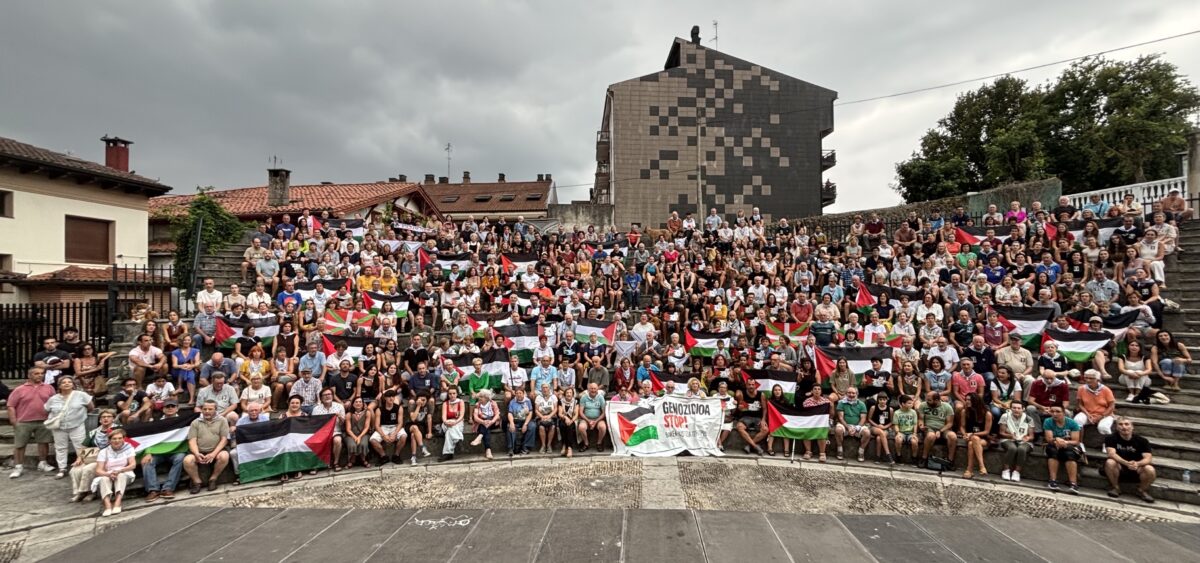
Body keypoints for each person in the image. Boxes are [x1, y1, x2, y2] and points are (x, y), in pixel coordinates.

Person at [8, 367, 56, 478]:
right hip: (23, 421)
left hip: (44, 420)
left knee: (44, 442)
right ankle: (18, 467)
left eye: (42, 373)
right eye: (36, 373)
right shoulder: (19, 389)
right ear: (29, 375)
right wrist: (14, 421)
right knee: (20, 445)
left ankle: (43, 463)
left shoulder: (49, 388)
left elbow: (55, 403)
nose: (40, 375)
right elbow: (11, 405)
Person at [43, 375, 94, 478]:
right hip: (59, 427)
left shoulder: (81, 395)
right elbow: (47, 410)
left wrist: (80, 415)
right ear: (59, 386)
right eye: (64, 382)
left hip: (77, 425)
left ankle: (82, 467)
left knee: (81, 446)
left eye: (69, 382)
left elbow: (91, 407)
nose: (67, 384)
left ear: (73, 385)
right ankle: (62, 468)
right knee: (60, 447)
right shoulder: (53, 399)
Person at [1103, 417, 1156, 503]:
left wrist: (1137, 464)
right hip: (1119, 466)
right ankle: (1115, 488)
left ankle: (1141, 490)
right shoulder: (1110, 438)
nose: (1124, 427)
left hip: (1137, 468)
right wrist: (1126, 463)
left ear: (1132, 427)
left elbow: (1148, 458)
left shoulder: (1142, 441)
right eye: (1120, 424)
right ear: (1117, 427)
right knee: (1110, 462)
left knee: (1150, 469)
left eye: (1127, 424)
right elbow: (1111, 454)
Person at [182, 400, 231, 494]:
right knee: (187, 460)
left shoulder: (222, 420)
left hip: (216, 450)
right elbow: (192, 441)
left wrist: (213, 454)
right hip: (199, 451)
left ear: (216, 410)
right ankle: (197, 482)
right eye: (205, 409)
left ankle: (213, 479)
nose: (207, 411)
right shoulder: (195, 422)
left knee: (224, 456)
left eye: (210, 409)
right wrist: (196, 453)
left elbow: (224, 440)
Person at [141, 400, 186, 501]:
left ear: (177, 408)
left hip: (176, 451)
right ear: (163, 409)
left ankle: (168, 488)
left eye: (172, 406)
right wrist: (148, 452)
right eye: (167, 406)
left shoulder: (184, 421)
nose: (170, 408)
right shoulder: (156, 422)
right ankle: (153, 490)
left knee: (180, 457)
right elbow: (149, 439)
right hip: (158, 453)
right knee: (147, 461)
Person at [94, 429, 137, 517]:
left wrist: (120, 470)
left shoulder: (129, 448)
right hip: (109, 474)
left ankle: (118, 502)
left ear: (123, 439)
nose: (117, 441)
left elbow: (133, 465)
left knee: (121, 476)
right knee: (104, 479)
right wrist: (108, 474)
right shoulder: (103, 452)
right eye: (114, 439)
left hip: (124, 473)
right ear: (109, 440)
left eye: (120, 438)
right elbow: (98, 470)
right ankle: (107, 505)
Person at [1043, 405, 1083, 495]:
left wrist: (1064, 442)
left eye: (1058, 411)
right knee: (1052, 451)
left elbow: (1076, 441)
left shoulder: (1072, 423)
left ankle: (1073, 483)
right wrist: (1056, 439)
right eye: (1052, 411)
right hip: (1054, 444)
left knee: (1070, 454)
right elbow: (1049, 439)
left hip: (1069, 445)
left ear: (1064, 413)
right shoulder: (1048, 421)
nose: (1054, 414)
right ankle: (1052, 480)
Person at [917, 391, 957, 468]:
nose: (927, 402)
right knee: (931, 436)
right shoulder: (923, 405)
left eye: (929, 400)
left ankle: (950, 461)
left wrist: (940, 431)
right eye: (927, 399)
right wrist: (921, 425)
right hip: (929, 428)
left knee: (953, 436)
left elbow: (949, 423)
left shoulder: (947, 407)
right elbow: (921, 419)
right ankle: (924, 458)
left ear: (936, 400)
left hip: (943, 428)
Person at [997, 402, 1035, 482]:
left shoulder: (1029, 419)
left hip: (1023, 440)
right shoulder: (1005, 416)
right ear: (1010, 408)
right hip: (1008, 439)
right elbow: (1001, 433)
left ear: (1023, 409)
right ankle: (1006, 470)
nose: (1016, 410)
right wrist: (1010, 436)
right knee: (1012, 448)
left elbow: (1031, 436)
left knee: (1022, 449)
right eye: (1014, 408)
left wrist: (1027, 438)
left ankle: (1017, 472)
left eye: (1018, 408)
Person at [958, 393, 992, 479]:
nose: (967, 401)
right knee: (972, 441)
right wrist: (964, 434)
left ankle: (970, 469)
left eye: (969, 400)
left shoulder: (987, 414)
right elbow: (962, 426)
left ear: (975, 401)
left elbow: (986, 432)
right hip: (969, 437)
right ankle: (982, 467)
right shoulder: (964, 411)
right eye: (966, 400)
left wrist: (973, 434)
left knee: (973, 441)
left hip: (983, 438)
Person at [370, 390, 409, 465]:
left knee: (404, 436)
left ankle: (396, 455)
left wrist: (394, 434)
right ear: (385, 398)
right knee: (373, 440)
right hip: (383, 427)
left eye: (393, 396)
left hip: (395, 426)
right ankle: (383, 456)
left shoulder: (399, 408)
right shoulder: (379, 409)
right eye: (389, 396)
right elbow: (377, 425)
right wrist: (383, 436)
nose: (391, 398)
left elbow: (400, 423)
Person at [311, 388, 346, 470]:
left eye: (329, 394)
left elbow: (343, 424)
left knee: (337, 440)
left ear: (332, 396)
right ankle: (316, 464)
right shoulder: (316, 409)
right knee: (315, 441)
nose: (327, 396)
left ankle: (336, 463)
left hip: (335, 431)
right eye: (324, 395)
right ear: (321, 398)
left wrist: (340, 417)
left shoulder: (339, 406)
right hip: (321, 432)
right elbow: (314, 424)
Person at [1074, 369, 1116, 436]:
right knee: (1077, 421)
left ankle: (1108, 442)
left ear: (1097, 379)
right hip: (1088, 413)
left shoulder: (1106, 390)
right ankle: (1079, 441)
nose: (1088, 380)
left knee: (1103, 427)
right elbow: (1080, 404)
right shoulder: (1081, 389)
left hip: (1105, 414)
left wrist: (1101, 416)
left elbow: (1111, 406)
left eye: (1091, 378)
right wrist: (1088, 414)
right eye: (1086, 378)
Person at [834, 387, 871, 462]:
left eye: (853, 393)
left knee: (867, 433)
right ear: (846, 394)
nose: (851, 395)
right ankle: (840, 450)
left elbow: (863, 418)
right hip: (844, 425)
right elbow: (841, 418)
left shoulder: (861, 404)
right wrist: (848, 427)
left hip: (858, 425)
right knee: (838, 430)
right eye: (849, 393)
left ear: (857, 394)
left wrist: (856, 428)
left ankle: (861, 451)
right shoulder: (841, 403)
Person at [469, 389, 501, 460]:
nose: (479, 398)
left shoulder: (493, 403)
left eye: (481, 397)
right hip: (482, 423)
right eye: (479, 397)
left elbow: (497, 415)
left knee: (486, 423)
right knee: (486, 429)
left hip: (494, 423)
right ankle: (488, 450)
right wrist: (483, 422)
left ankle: (480, 436)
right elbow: (475, 417)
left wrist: (491, 421)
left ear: (486, 398)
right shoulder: (477, 405)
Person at [506, 386, 537, 456]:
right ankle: (511, 448)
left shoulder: (528, 401)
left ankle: (525, 447)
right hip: (516, 420)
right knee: (509, 427)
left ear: (523, 393)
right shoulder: (512, 402)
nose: (518, 395)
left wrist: (525, 424)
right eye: (517, 393)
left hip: (525, 420)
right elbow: (510, 413)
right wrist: (511, 423)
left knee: (532, 426)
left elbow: (530, 413)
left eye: (520, 393)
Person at [577, 382, 608, 452]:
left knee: (603, 427)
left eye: (595, 389)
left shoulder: (600, 397)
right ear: (588, 389)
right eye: (591, 388)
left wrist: (595, 422)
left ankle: (599, 443)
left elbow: (604, 413)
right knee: (581, 427)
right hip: (586, 419)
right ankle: (586, 444)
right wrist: (589, 421)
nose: (593, 390)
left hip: (598, 419)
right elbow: (581, 412)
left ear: (597, 390)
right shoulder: (584, 397)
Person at [440, 386, 466, 461]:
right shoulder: (445, 404)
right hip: (446, 423)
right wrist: (446, 422)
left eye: (454, 393)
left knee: (449, 432)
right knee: (450, 427)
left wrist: (455, 422)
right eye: (450, 394)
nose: (452, 395)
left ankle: (448, 454)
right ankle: (458, 439)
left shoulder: (461, 402)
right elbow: (444, 417)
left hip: (458, 422)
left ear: (457, 394)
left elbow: (461, 416)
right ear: (448, 394)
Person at [345, 397, 372, 469]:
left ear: (363, 404)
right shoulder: (349, 414)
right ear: (353, 404)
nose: (358, 403)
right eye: (356, 402)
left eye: (360, 402)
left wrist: (359, 437)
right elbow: (348, 429)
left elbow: (366, 427)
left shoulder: (367, 413)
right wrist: (355, 437)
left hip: (363, 434)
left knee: (363, 443)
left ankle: (363, 459)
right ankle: (352, 460)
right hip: (351, 434)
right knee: (352, 444)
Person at [534, 382, 559, 454]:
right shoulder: (538, 397)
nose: (545, 389)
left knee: (553, 427)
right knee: (541, 427)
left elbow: (555, 409)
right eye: (543, 388)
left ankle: (549, 445)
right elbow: (536, 410)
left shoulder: (553, 397)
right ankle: (543, 445)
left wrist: (549, 416)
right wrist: (542, 417)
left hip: (551, 416)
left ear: (549, 388)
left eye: (546, 387)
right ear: (541, 389)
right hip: (541, 416)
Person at [558, 387, 580, 458]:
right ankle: (565, 445)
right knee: (562, 425)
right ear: (565, 394)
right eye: (567, 393)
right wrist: (565, 418)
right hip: (563, 418)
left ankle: (569, 448)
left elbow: (576, 414)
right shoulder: (561, 401)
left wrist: (571, 420)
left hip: (573, 419)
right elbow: (560, 413)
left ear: (573, 394)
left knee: (569, 427)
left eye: (570, 393)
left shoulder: (576, 401)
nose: (569, 394)